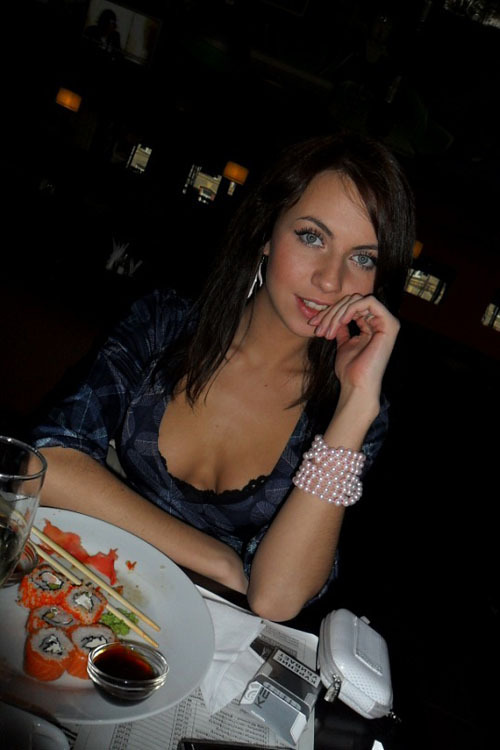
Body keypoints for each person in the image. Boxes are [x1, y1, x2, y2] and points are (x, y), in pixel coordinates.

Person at [32, 132, 415, 622]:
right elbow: (48, 460)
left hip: (185, 636)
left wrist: (357, 404)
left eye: (363, 258)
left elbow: (275, 598)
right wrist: (217, 559)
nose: (330, 280)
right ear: (266, 233)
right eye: (312, 237)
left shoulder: (350, 411)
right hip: (66, 589)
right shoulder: (164, 325)